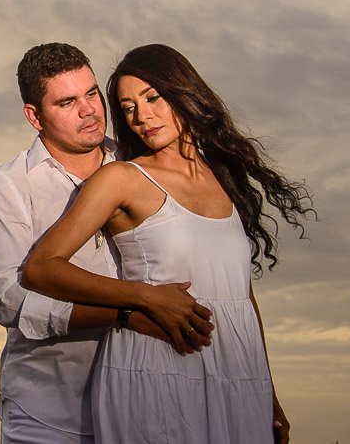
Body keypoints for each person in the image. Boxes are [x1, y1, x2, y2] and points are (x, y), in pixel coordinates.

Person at [22, 44, 313, 444]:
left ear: (183, 91)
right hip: (156, 365)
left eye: (152, 98)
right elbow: (41, 267)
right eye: (127, 108)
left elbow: (241, 295)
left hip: (238, 373)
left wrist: (270, 394)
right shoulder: (121, 178)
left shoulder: (222, 178)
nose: (142, 117)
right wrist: (143, 297)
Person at [0, 43, 212, 444]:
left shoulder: (138, 164)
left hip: (149, 396)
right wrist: (126, 310)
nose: (89, 111)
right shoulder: (5, 185)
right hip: (52, 411)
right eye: (67, 102)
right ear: (35, 116)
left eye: (92, 93)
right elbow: (10, 301)